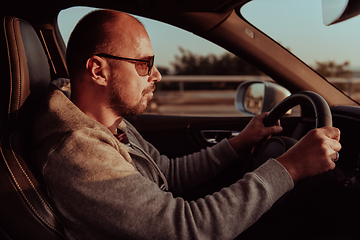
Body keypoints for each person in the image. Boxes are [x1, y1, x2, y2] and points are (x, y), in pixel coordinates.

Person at [32, 9, 341, 240]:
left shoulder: (111, 122)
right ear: (99, 71)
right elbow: (187, 228)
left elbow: (168, 174)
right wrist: (290, 167)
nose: (156, 76)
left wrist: (241, 141)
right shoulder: (78, 151)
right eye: (144, 64)